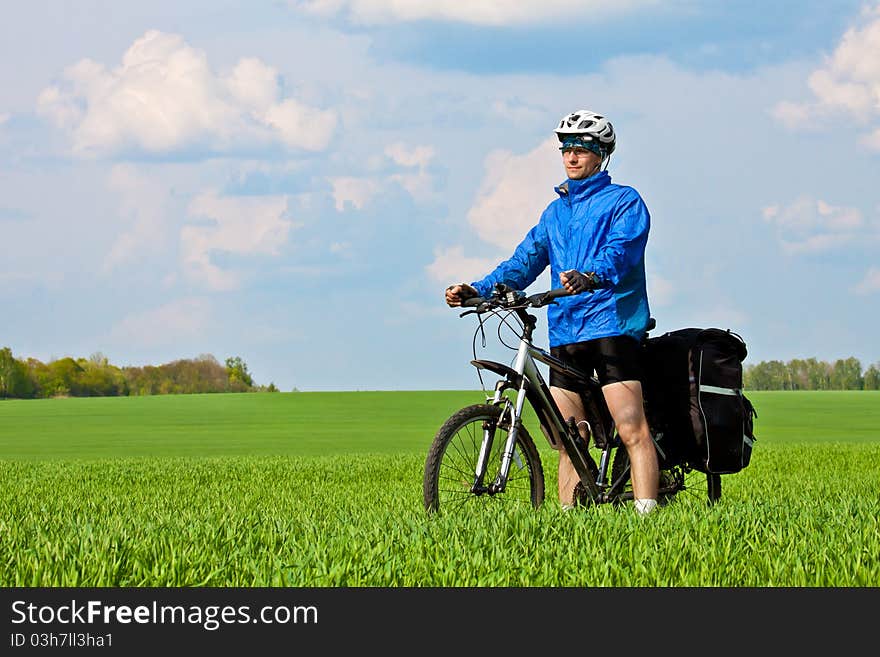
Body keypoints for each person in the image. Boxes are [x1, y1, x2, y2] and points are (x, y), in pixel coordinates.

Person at [445, 109, 659, 515]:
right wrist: (478, 288)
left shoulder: (624, 201)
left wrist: (591, 275)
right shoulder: (554, 213)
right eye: (567, 149)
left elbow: (624, 251)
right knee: (569, 436)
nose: (572, 156)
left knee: (631, 427)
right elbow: (523, 261)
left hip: (611, 323)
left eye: (582, 149)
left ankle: (647, 520)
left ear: (601, 156)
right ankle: (568, 521)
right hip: (565, 329)